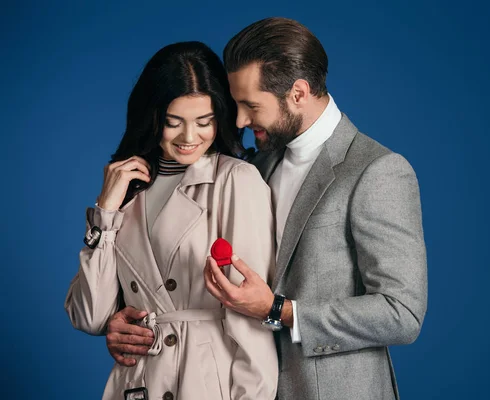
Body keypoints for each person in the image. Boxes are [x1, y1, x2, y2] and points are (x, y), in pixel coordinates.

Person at [106, 17, 428, 400]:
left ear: (298, 93)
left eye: (250, 105)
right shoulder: (255, 166)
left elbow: (401, 314)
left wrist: (279, 310)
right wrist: (130, 325)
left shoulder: (377, 171)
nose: (239, 120)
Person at [64, 41, 278, 400]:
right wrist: (106, 210)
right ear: (152, 118)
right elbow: (90, 316)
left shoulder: (234, 180)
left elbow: (251, 318)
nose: (189, 137)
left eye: (204, 122)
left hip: (206, 383)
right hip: (138, 381)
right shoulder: (128, 191)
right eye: (173, 122)